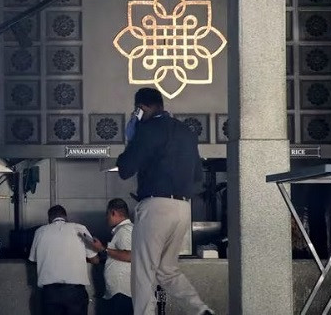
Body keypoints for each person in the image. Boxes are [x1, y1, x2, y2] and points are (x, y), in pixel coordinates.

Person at [117, 87, 214, 315]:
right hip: (182, 208)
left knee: (143, 272)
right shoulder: (186, 132)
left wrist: (131, 138)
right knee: (167, 270)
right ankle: (200, 310)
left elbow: (125, 169)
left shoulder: (147, 130)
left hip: (155, 207)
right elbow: (198, 178)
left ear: (141, 108)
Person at [29, 205, 98, 315]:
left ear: (49, 219)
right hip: (75, 292)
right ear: (66, 217)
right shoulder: (79, 228)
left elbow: (33, 259)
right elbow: (95, 259)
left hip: (50, 293)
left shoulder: (40, 232)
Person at [88, 198, 134, 315]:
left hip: (123, 292)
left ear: (113, 212)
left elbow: (130, 256)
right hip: (120, 292)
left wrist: (103, 249)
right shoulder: (123, 230)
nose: (106, 218)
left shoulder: (125, 230)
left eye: (107, 214)